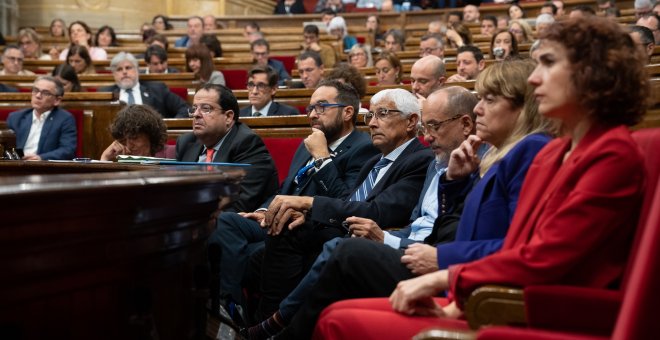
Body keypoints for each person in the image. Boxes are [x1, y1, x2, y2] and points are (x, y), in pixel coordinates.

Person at [313, 16, 648, 340]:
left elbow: (547, 258)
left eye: (548, 63)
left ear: (590, 74)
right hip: (495, 294)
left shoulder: (611, 154)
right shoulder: (554, 152)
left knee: (338, 320)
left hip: (541, 312)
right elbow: (517, 244)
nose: (534, 79)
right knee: (336, 311)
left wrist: (447, 275)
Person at [247, 85, 478, 339]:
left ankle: (276, 327)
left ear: (411, 121)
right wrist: (310, 214)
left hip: (398, 242)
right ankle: (263, 321)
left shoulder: (424, 159)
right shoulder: (384, 161)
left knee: (338, 248)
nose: (372, 124)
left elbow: (380, 212)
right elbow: (351, 201)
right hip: (374, 232)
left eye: (383, 114)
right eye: (371, 116)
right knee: (282, 231)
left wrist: (313, 200)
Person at [208, 81, 378, 315]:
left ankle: (245, 317)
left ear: (348, 112)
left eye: (321, 107)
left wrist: (322, 157)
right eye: (310, 108)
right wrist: (263, 211)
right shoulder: (307, 143)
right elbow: (285, 187)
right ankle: (230, 307)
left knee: (249, 255)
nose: (312, 114)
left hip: (306, 227)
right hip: (277, 217)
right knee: (225, 222)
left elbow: (344, 201)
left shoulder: (363, 148)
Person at [176, 84, 278, 213]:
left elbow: (240, 204)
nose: (196, 114)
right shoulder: (186, 142)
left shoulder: (247, 144)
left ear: (228, 117)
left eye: (206, 108)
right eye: (194, 108)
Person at [7, 76, 77, 160]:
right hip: (16, 168)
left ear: (57, 100)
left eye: (45, 93)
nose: (38, 96)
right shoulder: (16, 118)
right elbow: (7, 148)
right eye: (35, 90)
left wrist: (41, 158)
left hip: (46, 169)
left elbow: (67, 150)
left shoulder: (65, 119)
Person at [99, 52, 189, 118]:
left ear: (137, 70)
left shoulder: (157, 90)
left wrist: (167, 128)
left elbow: (184, 108)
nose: (124, 72)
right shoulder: (105, 94)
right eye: (119, 69)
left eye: (128, 68)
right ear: (114, 75)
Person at [100, 105, 168, 161]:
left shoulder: (170, 156)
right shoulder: (120, 163)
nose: (129, 146)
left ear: (151, 135)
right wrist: (104, 158)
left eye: (134, 138)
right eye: (123, 141)